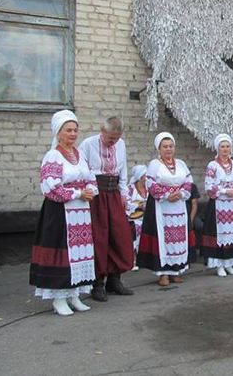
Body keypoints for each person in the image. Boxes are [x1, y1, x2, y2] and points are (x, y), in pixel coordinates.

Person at [29, 110, 98, 316]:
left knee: (79, 253)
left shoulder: (79, 154)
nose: (73, 134)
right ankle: (59, 298)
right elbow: (50, 188)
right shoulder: (53, 156)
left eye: (75, 130)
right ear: (58, 132)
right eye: (68, 130)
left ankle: (74, 294)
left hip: (81, 213)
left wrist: (91, 191)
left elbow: (91, 178)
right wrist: (78, 192)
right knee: (63, 253)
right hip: (60, 213)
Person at [79, 116, 134, 301]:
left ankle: (115, 279)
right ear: (102, 131)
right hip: (97, 194)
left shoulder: (121, 145)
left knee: (119, 236)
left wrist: (124, 194)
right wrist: (90, 191)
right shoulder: (87, 144)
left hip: (114, 193)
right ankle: (97, 283)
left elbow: (123, 171)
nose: (113, 142)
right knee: (99, 237)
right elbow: (83, 171)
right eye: (111, 138)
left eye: (117, 138)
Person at [136, 132, 198, 285]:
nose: (168, 149)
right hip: (161, 207)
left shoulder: (181, 164)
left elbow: (189, 182)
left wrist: (182, 193)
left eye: (171, 146)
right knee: (164, 239)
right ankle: (163, 273)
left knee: (179, 238)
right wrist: (166, 195)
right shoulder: (154, 165)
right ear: (159, 148)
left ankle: (177, 270)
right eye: (165, 147)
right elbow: (150, 184)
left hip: (179, 206)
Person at [200, 134, 233, 277]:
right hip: (219, 206)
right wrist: (226, 191)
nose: (225, 149)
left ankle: (230, 263)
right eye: (222, 146)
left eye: (227, 146)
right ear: (217, 148)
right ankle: (220, 265)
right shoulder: (212, 166)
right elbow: (209, 186)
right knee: (220, 234)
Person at [127, 164, 148, 270]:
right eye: (145, 175)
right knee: (136, 227)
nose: (147, 178)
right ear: (140, 177)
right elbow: (126, 204)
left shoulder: (149, 188)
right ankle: (134, 259)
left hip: (147, 218)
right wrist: (139, 205)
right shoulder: (130, 189)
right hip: (134, 219)